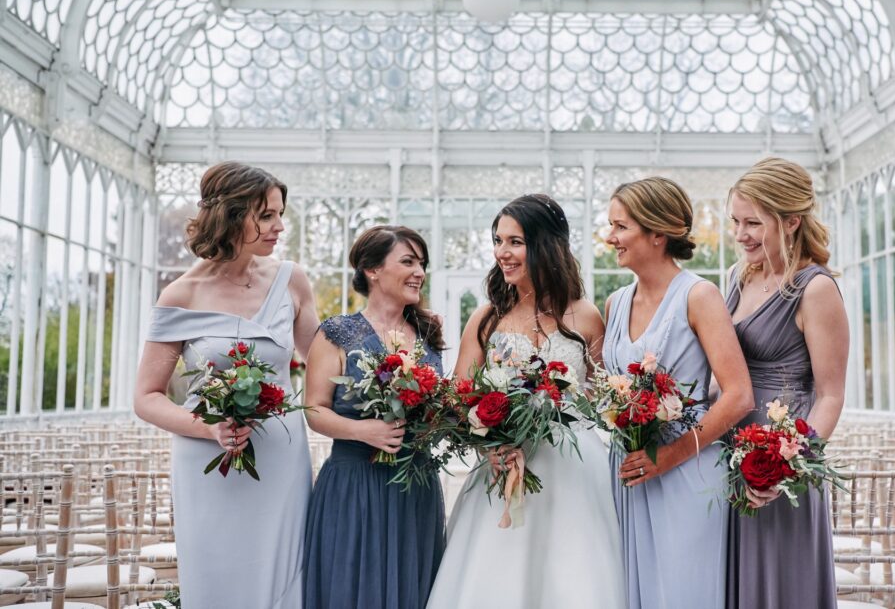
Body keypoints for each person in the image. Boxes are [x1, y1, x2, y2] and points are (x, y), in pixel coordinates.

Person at [426, 194, 625, 609]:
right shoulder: (487, 318)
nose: (502, 252)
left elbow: (607, 398)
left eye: (515, 242)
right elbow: (458, 398)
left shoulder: (586, 316)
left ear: (545, 246)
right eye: (498, 241)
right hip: (503, 467)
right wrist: (491, 445)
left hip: (576, 473)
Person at [134, 162, 318, 609]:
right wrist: (208, 428)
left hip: (280, 457)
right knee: (217, 578)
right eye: (267, 215)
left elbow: (323, 359)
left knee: (285, 573)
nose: (279, 226)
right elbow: (146, 397)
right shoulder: (181, 294)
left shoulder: (290, 279)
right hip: (209, 462)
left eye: (280, 213)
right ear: (235, 216)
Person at [603, 177, 754, 609]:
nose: (610, 237)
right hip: (630, 472)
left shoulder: (700, 295)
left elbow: (739, 394)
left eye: (620, 226)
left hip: (687, 471)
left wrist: (668, 456)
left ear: (657, 232)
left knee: (684, 593)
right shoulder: (615, 303)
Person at [724, 157, 848, 609]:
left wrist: (787, 465)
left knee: (781, 583)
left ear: (792, 220)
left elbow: (831, 394)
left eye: (754, 222)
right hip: (732, 453)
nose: (741, 235)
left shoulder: (815, 289)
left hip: (783, 461)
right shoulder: (737, 280)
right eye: (736, 221)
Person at [303, 225, 445, 609]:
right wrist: (363, 430)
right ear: (372, 270)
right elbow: (313, 409)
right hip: (354, 485)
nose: (420, 272)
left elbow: (439, 405)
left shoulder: (428, 333)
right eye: (408, 261)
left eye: (423, 264)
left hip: (415, 485)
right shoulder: (336, 333)